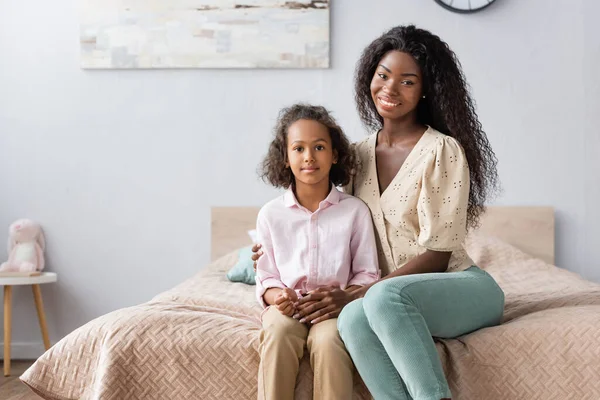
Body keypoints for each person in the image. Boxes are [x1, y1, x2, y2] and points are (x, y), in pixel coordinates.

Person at [252, 25, 504, 400]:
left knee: (376, 301)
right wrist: (259, 255)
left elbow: (438, 255)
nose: (390, 88)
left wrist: (357, 293)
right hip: (381, 299)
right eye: (383, 75)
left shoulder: (442, 150)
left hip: (457, 287)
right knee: (353, 319)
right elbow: (320, 223)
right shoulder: (355, 156)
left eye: (407, 81)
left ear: (425, 90)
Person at [254, 103, 380, 400]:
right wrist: (278, 297)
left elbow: (368, 273)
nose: (309, 157)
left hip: (334, 309)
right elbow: (266, 276)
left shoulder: (355, 212)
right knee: (277, 334)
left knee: (329, 342)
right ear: (285, 158)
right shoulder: (270, 215)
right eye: (298, 149)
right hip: (287, 310)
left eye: (319, 147)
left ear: (334, 155)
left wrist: (343, 298)